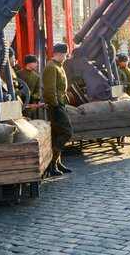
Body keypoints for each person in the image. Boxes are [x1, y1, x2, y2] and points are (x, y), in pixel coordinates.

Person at [41, 43, 73, 176]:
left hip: (59, 103)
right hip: (56, 105)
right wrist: (55, 105)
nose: (66, 57)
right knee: (67, 132)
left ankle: (56, 163)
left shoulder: (57, 66)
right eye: (65, 54)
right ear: (59, 54)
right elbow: (49, 90)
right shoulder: (51, 67)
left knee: (57, 134)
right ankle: (53, 162)